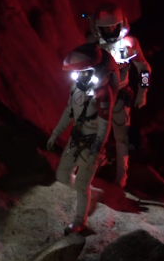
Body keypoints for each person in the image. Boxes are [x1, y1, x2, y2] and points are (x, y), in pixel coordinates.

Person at [47, 44, 117, 234]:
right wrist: (56, 133)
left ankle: (80, 222)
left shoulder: (103, 93)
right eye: (76, 73)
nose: (77, 77)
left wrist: (97, 150)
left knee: (81, 185)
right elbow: (69, 111)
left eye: (81, 72)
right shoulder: (76, 88)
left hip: (92, 143)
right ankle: (93, 193)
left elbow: (105, 125)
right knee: (62, 175)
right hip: (76, 139)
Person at [87, 3, 152, 190]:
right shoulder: (92, 42)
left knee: (122, 136)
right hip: (98, 93)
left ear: (121, 23)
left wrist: (143, 92)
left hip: (121, 94)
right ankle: (92, 168)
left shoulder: (130, 43)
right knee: (95, 133)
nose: (110, 30)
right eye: (106, 27)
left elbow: (145, 69)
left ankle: (121, 176)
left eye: (113, 26)